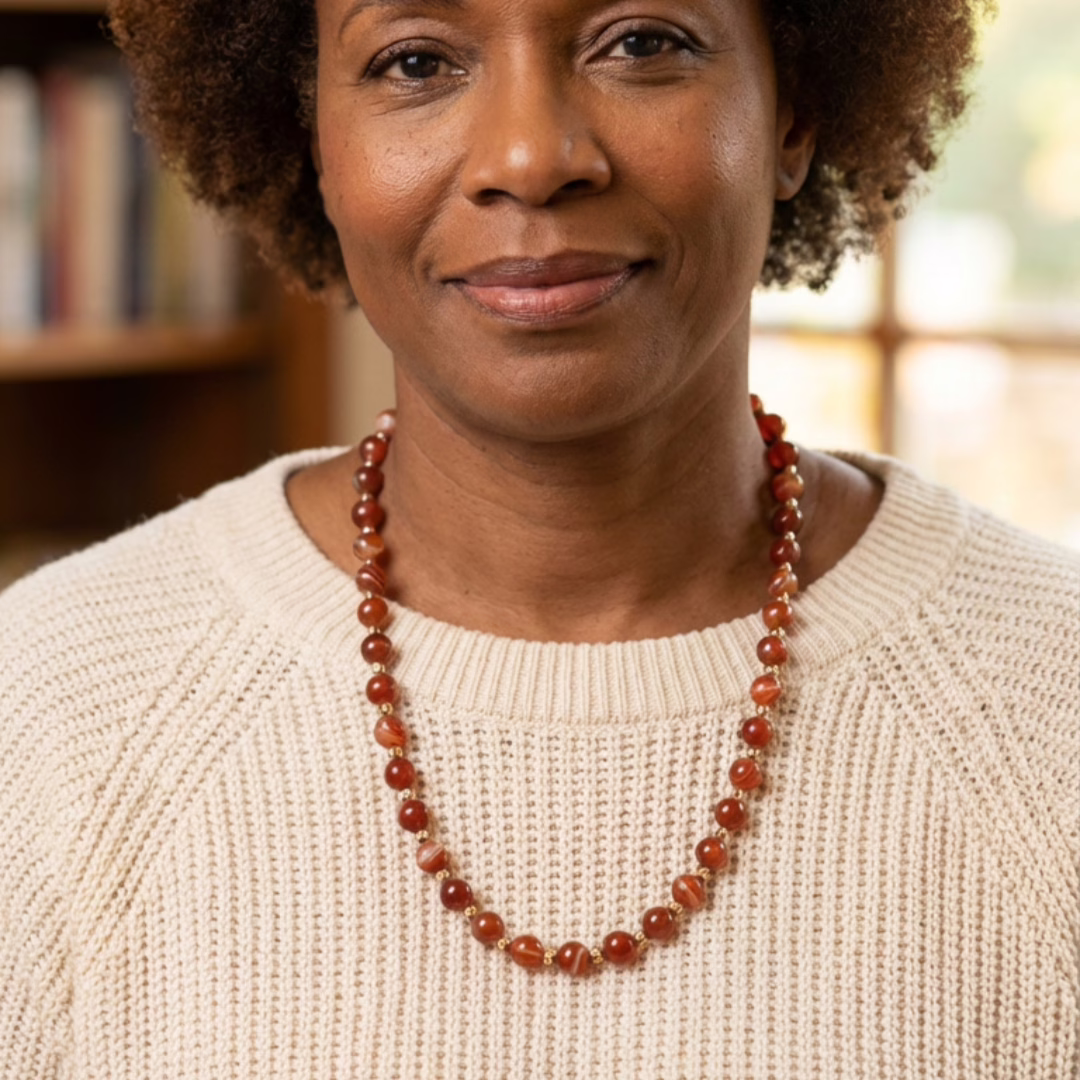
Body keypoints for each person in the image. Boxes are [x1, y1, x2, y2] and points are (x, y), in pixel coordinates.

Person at [1, 0, 1076, 1075]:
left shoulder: (1052, 710)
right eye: (414, 60)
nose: (529, 157)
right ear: (312, 142)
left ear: (792, 116)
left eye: (644, 42)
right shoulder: (51, 715)